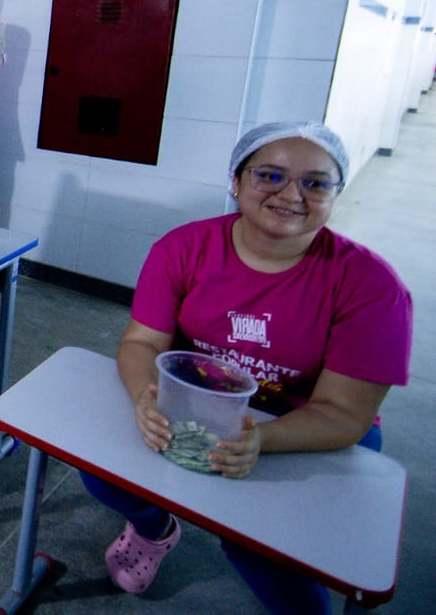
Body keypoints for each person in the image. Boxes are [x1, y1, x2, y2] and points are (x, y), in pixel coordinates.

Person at [83, 122, 412, 613]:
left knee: (257, 547)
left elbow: (345, 413)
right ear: (236, 182)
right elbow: (142, 343)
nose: (291, 195)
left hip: (307, 428)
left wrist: (262, 439)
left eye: (315, 183)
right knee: (103, 475)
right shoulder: (183, 248)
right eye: (270, 176)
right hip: (194, 404)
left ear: (335, 194)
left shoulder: (371, 287)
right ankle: (155, 531)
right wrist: (146, 398)